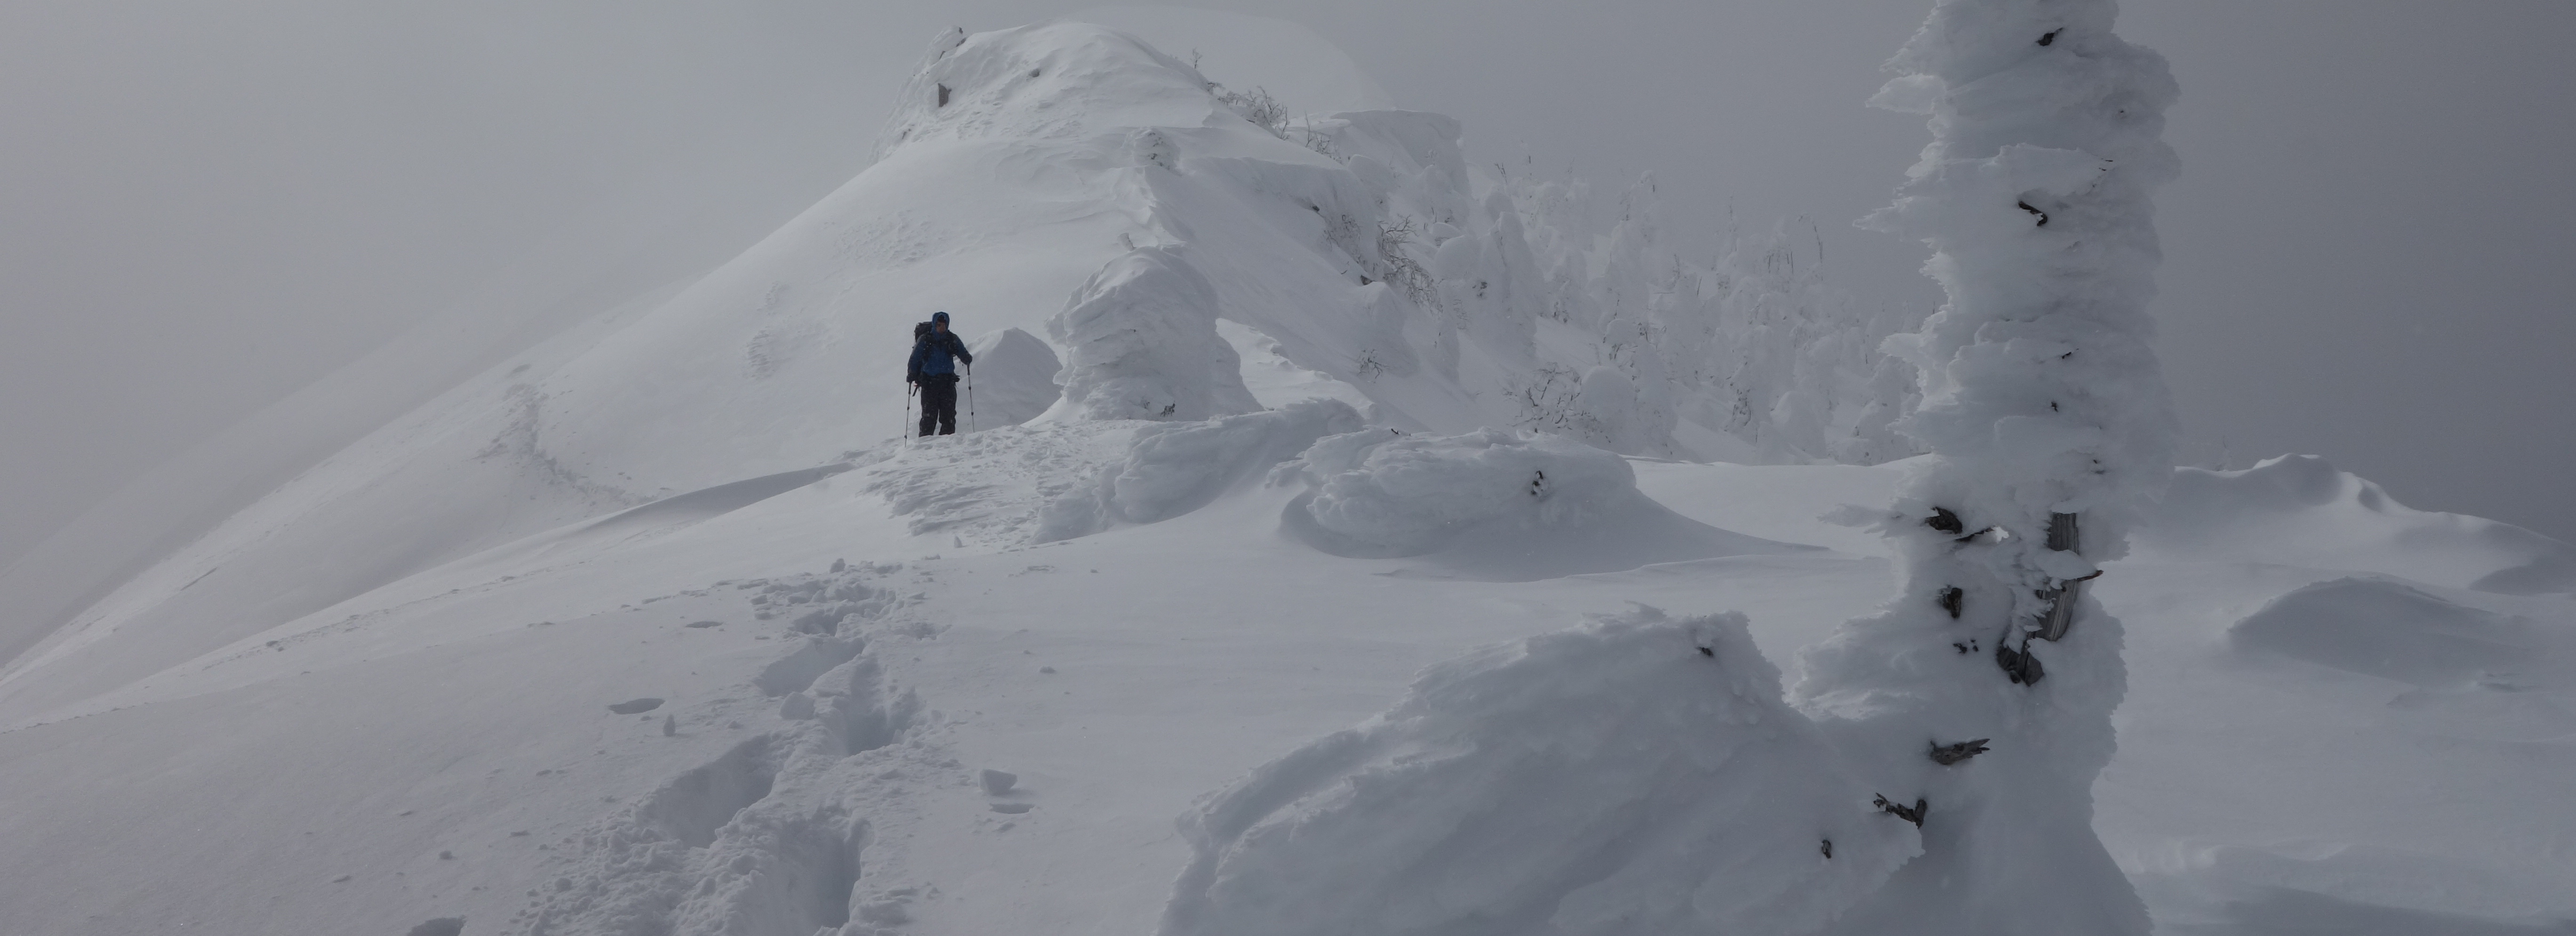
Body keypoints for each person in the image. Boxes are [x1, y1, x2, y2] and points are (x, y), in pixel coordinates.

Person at [907, 311, 974, 436]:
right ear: (934, 325)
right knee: (929, 417)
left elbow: (962, 352)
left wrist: (967, 358)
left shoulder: (952, 339)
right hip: (929, 383)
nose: (941, 328)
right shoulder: (925, 340)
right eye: (938, 325)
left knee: (949, 417)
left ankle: (946, 447)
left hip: (947, 382)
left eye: (943, 325)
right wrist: (912, 373)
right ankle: (925, 447)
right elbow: (915, 359)